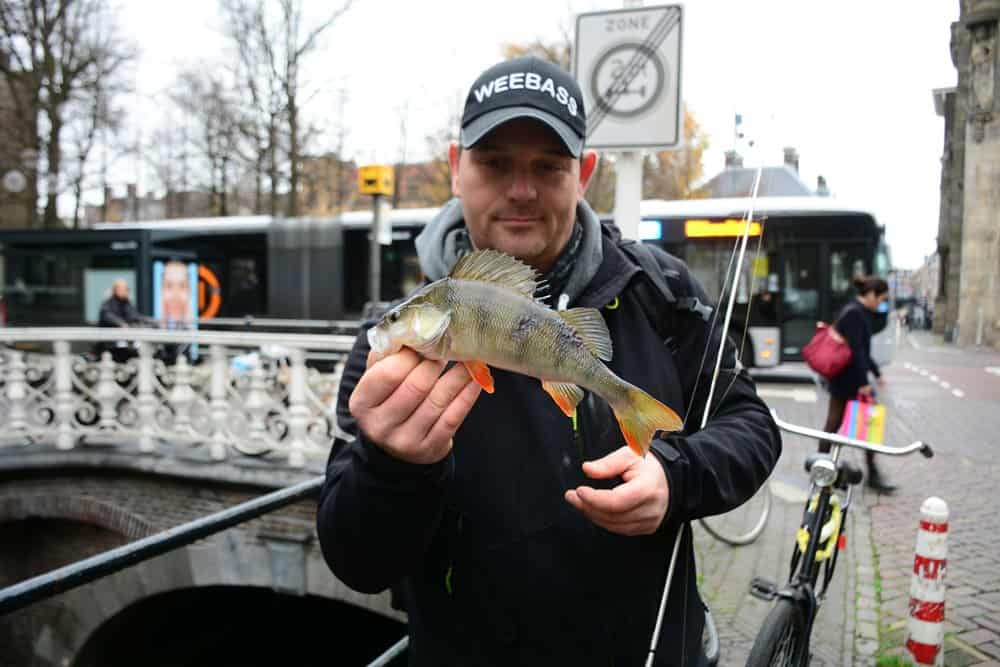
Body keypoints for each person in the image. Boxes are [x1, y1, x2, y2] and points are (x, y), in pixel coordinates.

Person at [316, 56, 781, 666]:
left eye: (548, 166)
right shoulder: (395, 339)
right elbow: (358, 562)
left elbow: (752, 428)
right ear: (457, 169)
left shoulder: (662, 292)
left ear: (583, 173)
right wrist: (391, 466)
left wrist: (675, 475)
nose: (521, 190)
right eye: (494, 163)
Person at [821, 275, 894, 492]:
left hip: (846, 378)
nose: (881, 304)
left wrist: (876, 373)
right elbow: (857, 351)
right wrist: (865, 382)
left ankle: (822, 465)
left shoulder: (855, 311)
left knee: (834, 425)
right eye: (881, 299)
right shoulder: (855, 314)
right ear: (871, 295)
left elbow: (860, 348)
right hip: (849, 380)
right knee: (861, 425)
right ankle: (871, 476)